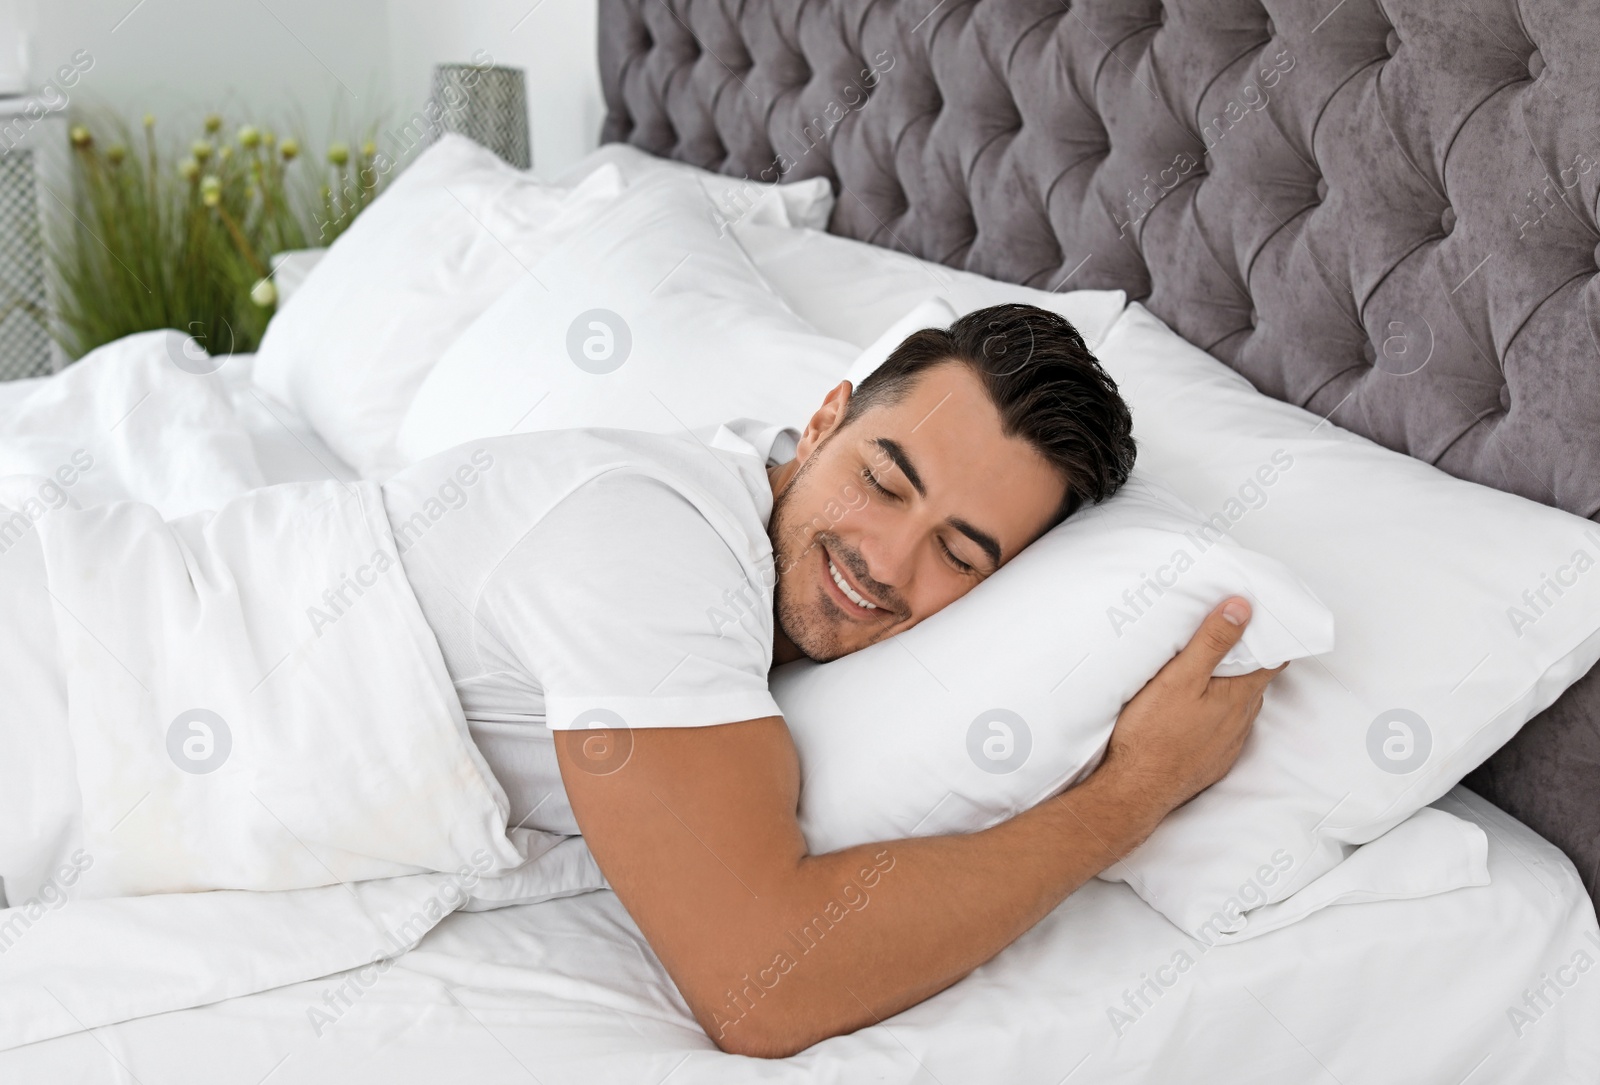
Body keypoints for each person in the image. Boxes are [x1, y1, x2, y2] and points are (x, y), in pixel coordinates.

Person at [382, 302, 1286, 1058]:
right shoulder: (655, 536)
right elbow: (761, 982)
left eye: (959, 553)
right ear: (822, 423)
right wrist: (1133, 793)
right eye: (883, 481)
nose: (886, 561)